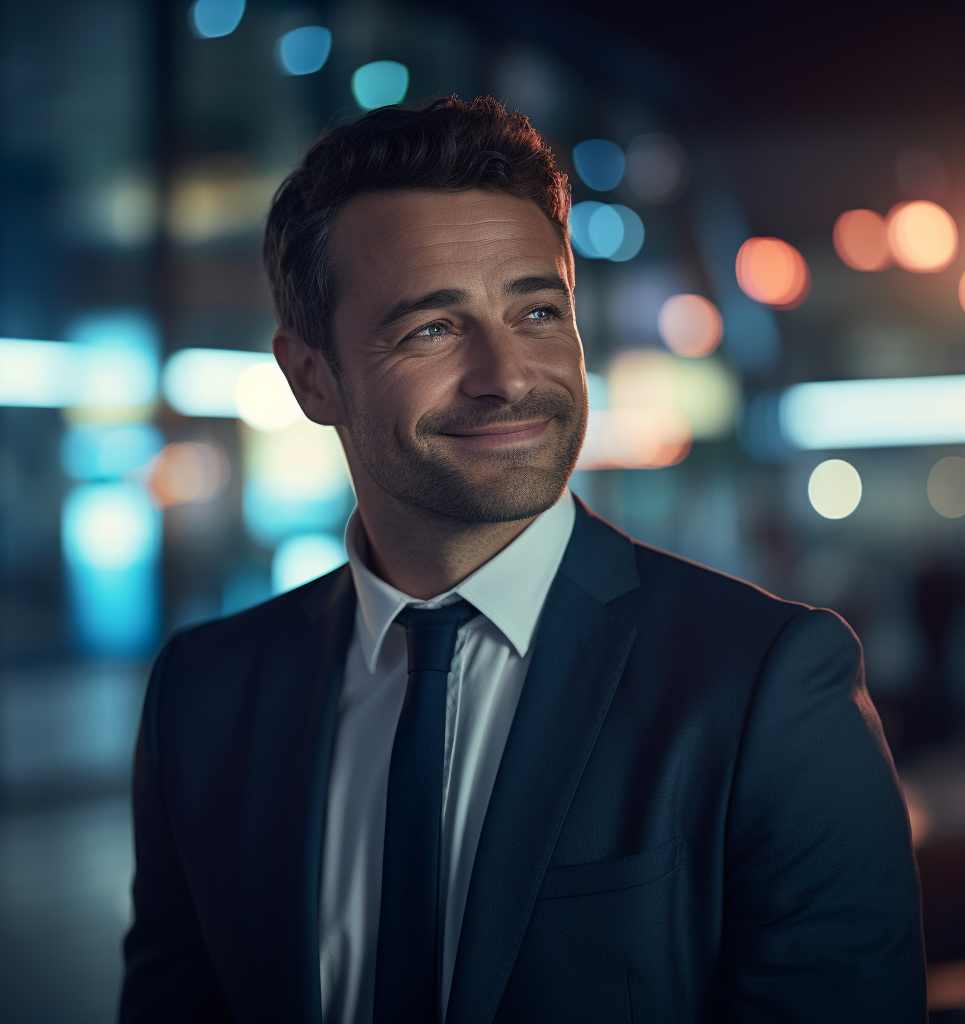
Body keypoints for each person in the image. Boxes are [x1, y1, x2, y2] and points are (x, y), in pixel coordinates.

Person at [119, 96, 926, 1024]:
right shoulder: (204, 693)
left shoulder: (766, 687)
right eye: (431, 328)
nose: (507, 375)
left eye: (539, 312)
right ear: (311, 377)